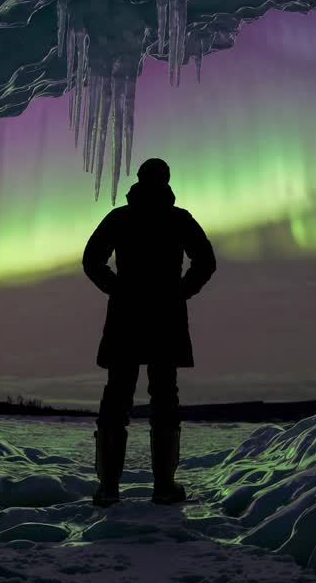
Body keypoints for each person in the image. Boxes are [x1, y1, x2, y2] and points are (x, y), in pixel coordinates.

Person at [82, 157, 216, 507]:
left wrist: (117, 288)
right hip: (164, 314)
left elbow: (91, 260)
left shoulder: (121, 218)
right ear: (166, 181)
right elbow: (205, 261)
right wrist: (182, 290)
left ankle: (110, 487)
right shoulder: (177, 218)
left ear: (139, 180)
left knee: (118, 396)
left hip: (128, 313)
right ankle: (163, 486)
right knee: (163, 396)